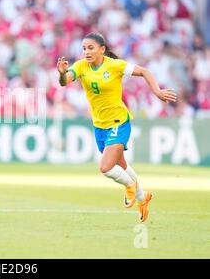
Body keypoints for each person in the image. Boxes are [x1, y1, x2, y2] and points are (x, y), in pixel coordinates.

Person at [56, 32, 177, 222]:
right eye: (84, 48)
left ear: (102, 49)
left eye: (91, 48)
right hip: (99, 125)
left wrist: (157, 91)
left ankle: (130, 186)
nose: (86, 52)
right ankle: (142, 197)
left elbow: (145, 71)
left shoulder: (114, 65)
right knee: (121, 165)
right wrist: (62, 73)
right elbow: (65, 82)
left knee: (105, 167)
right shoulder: (80, 66)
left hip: (118, 122)